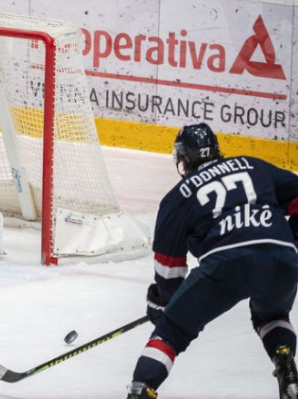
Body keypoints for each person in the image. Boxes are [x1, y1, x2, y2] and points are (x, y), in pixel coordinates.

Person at [126, 123, 298, 399]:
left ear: (184, 158)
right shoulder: (253, 165)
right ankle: (286, 366)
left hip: (226, 263)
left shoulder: (178, 196)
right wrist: (291, 236)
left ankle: (140, 392)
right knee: (273, 316)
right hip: (281, 257)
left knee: (170, 333)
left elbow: (169, 268)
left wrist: (165, 304)